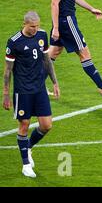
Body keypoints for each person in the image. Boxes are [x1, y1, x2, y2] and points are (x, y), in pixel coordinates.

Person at [3, 11, 60, 178]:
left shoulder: (42, 35)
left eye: (37, 26)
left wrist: (55, 82)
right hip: (23, 91)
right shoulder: (14, 42)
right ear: (25, 24)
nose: (36, 29)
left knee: (46, 125)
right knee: (24, 125)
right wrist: (6, 94)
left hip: (39, 88)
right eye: (32, 26)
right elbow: (7, 71)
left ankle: (27, 147)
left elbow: (47, 60)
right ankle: (26, 165)